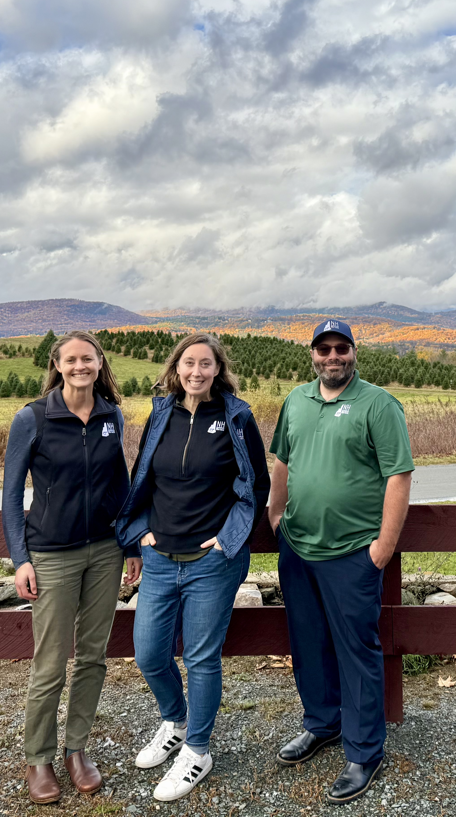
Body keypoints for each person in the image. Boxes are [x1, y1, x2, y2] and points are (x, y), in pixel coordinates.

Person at [115, 333, 270, 802]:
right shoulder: (161, 412)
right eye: (189, 364)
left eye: (206, 364)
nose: (196, 372)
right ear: (176, 368)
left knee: (201, 658)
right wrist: (138, 531)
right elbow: (143, 474)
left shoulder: (236, 417)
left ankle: (198, 750)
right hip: (161, 558)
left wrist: (228, 539)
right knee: (148, 653)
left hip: (212, 563)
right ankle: (175, 722)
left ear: (218, 370)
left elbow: (254, 485)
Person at [268, 319, 414, 806]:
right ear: (312, 353)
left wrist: (383, 547)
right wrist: (274, 513)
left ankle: (365, 751)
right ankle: (323, 724)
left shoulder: (378, 404)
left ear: (354, 351)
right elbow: (283, 461)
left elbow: (398, 476)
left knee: (357, 651)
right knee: (308, 643)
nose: (333, 356)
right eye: (324, 348)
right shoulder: (297, 401)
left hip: (353, 551)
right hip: (299, 546)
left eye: (341, 348)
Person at [1, 331, 139, 804]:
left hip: (104, 551)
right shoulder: (33, 417)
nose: (81, 366)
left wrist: (131, 543)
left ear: (100, 363)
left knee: (94, 657)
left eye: (89, 358)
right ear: (57, 365)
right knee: (50, 661)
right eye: (72, 359)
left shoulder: (110, 415)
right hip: (52, 554)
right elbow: (11, 491)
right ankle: (37, 757)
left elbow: (119, 481)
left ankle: (76, 750)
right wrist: (20, 559)